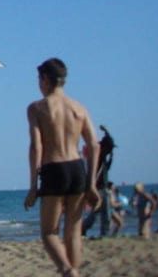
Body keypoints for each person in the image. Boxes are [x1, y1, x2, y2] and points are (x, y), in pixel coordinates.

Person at [24, 58, 100, 277]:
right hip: (77, 168)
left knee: (49, 233)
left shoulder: (37, 108)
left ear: (45, 80)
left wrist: (33, 186)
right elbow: (94, 145)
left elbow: (36, 146)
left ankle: (68, 271)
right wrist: (92, 183)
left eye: (39, 79)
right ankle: (73, 271)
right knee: (73, 232)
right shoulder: (79, 108)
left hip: (54, 168)